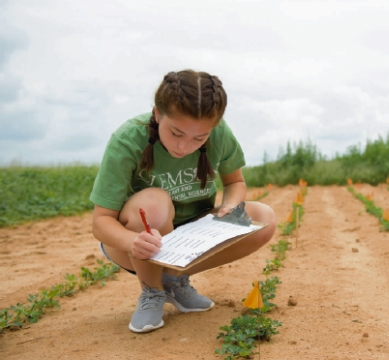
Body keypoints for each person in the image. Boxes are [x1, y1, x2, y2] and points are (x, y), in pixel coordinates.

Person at [90, 69, 276, 333]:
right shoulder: (127, 140)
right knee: (154, 203)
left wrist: (231, 205)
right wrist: (133, 242)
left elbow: (235, 182)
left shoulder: (220, 134)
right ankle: (152, 291)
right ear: (157, 113)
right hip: (136, 244)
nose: (184, 147)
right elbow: (101, 222)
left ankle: (173, 279)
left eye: (199, 138)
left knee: (263, 218)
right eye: (176, 133)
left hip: (193, 235)